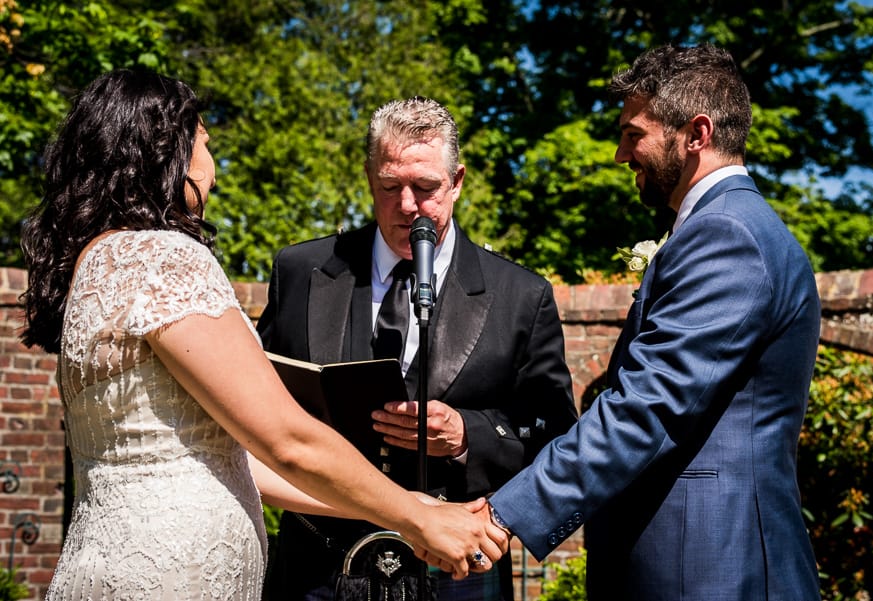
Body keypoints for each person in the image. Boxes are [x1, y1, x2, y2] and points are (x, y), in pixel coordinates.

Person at [19, 69, 508, 601]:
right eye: (204, 143)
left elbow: (243, 459)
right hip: (174, 571)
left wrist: (409, 507)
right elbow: (286, 439)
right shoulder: (162, 259)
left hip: (109, 557)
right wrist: (416, 517)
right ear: (169, 151)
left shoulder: (99, 263)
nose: (214, 169)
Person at [473, 44, 822, 600]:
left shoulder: (728, 234)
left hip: (713, 571)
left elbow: (647, 405)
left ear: (696, 133)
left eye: (633, 133)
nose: (619, 154)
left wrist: (501, 515)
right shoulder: (724, 227)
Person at [257, 96, 578, 601]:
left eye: (426, 187)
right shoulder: (300, 270)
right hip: (317, 563)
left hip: (456, 571)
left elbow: (555, 429)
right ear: (369, 177)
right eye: (390, 187)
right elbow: (255, 404)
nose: (408, 206)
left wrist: (466, 434)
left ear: (457, 181)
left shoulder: (521, 294)